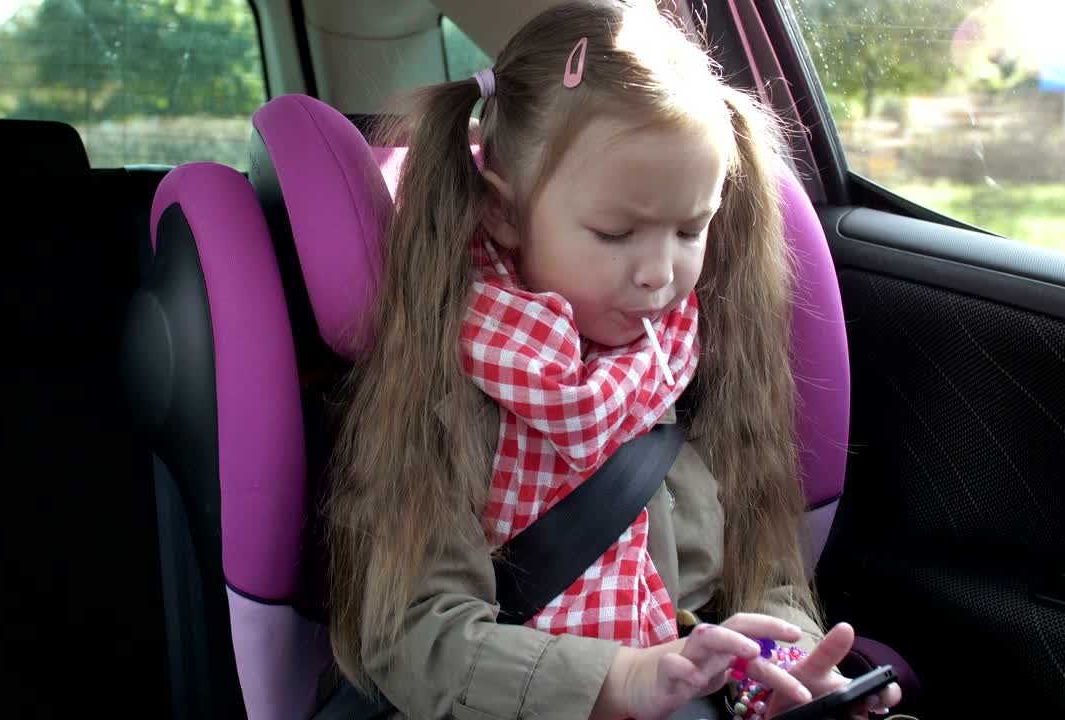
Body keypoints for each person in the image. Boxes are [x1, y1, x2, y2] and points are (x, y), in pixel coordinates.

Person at [324, 2, 904, 718]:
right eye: (615, 232)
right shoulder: (446, 385)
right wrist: (622, 679)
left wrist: (783, 673)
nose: (660, 272)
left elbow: (763, 576)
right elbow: (415, 638)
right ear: (502, 212)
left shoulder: (698, 361)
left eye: (691, 229)